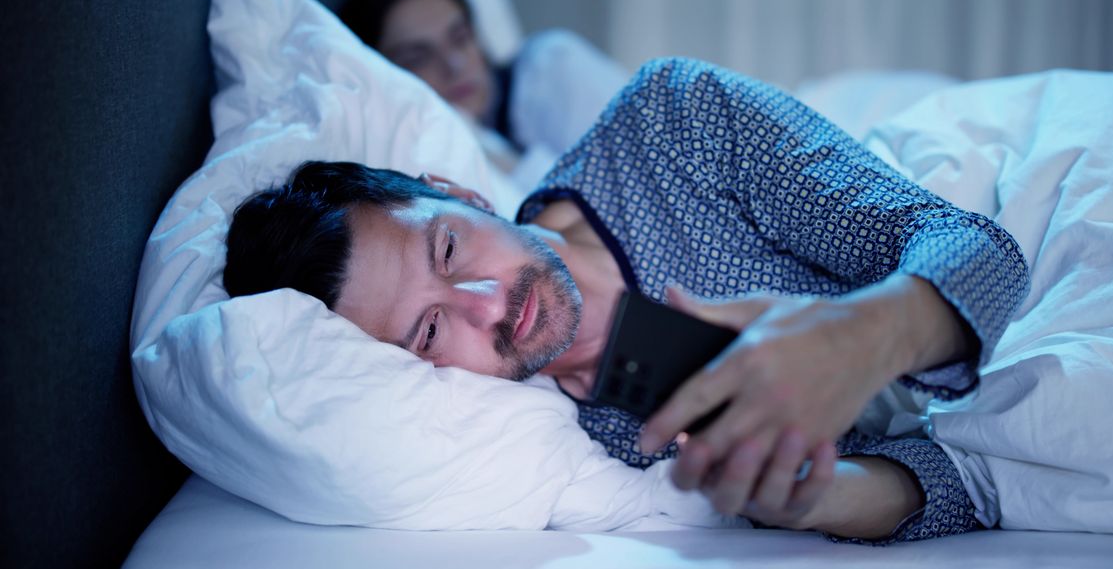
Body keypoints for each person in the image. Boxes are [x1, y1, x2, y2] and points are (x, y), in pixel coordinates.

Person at [223, 58, 1029, 543]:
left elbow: (977, 250)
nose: (486, 302)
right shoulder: (578, 447)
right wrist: (819, 498)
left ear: (459, 192)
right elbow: (972, 491)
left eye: (448, 248)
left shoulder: (672, 123)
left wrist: (856, 341)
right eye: (430, 329)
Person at [338, 0, 627, 187]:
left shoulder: (551, 67)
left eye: (461, 37)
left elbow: (623, 194)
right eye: (418, 57)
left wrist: (501, 158)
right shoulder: (411, 157)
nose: (454, 63)